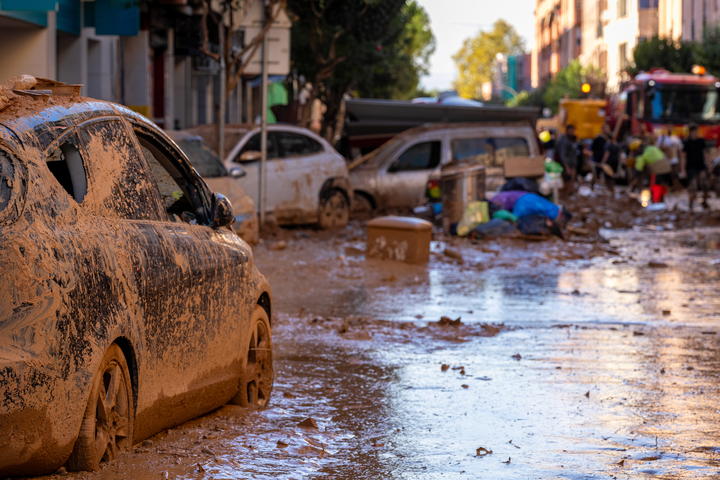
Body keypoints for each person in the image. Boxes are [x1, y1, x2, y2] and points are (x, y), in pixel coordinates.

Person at [681, 123, 710, 210]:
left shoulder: (701, 141)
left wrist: (709, 164)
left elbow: (705, 153)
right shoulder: (687, 143)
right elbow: (683, 157)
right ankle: (690, 208)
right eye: (693, 131)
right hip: (691, 168)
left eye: (695, 131)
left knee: (705, 187)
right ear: (690, 132)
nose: (694, 133)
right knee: (692, 189)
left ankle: (704, 202)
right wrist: (683, 170)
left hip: (701, 167)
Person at [656, 124, 682, 190]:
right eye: (668, 128)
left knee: (674, 174)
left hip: (674, 160)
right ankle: (665, 189)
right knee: (665, 175)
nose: (669, 129)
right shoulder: (662, 138)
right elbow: (657, 148)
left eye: (671, 128)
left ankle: (675, 187)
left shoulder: (675, 139)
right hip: (664, 160)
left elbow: (680, 149)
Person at [556, 124, 578, 196]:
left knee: (570, 184)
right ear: (567, 131)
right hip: (567, 166)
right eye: (570, 131)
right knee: (567, 184)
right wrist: (567, 167)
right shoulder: (564, 142)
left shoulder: (570, 140)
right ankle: (566, 197)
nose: (572, 132)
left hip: (571, 165)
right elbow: (563, 156)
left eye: (572, 131)